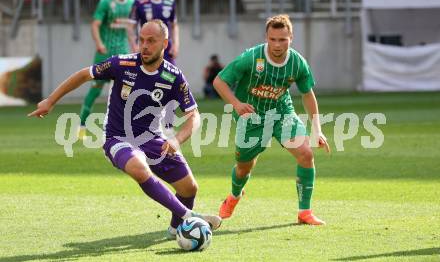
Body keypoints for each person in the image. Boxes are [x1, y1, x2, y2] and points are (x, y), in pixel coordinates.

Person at [28, 20, 222, 239]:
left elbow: (193, 116)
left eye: (151, 41)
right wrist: (50, 101)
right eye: (141, 40)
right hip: (117, 138)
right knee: (140, 170)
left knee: (189, 188)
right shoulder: (122, 64)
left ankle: (176, 229)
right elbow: (84, 74)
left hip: (152, 139)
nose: (144, 46)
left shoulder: (173, 76)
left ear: (165, 43)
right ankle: (190, 216)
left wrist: (177, 140)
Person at [213, 14, 330, 225]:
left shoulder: (297, 63)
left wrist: (317, 129)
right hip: (252, 117)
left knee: (305, 154)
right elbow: (219, 81)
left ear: (291, 38)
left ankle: (305, 212)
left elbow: (307, 94)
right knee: (243, 167)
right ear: (266, 37)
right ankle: (234, 197)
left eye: (282, 39)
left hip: (281, 113)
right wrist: (237, 104)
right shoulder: (251, 58)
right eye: (273, 39)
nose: (277, 44)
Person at [78, 0, 134, 139]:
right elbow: (95, 25)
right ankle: (82, 127)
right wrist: (99, 43)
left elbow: (130, 28)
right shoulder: (106, 2)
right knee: (95, 91)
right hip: (105, 54)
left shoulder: (131, 3)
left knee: (126, 92)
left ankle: (123, 129)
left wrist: (134, 46)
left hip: (123, 54)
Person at [129, 0, 179, 65]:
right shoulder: (139, 2)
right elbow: (131, 26)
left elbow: (174, 25)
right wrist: (134, 46)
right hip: (147, 48)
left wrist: (176, 45)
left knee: (169, 75)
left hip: (166, 49)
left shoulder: (170, 2)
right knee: (146, 75)